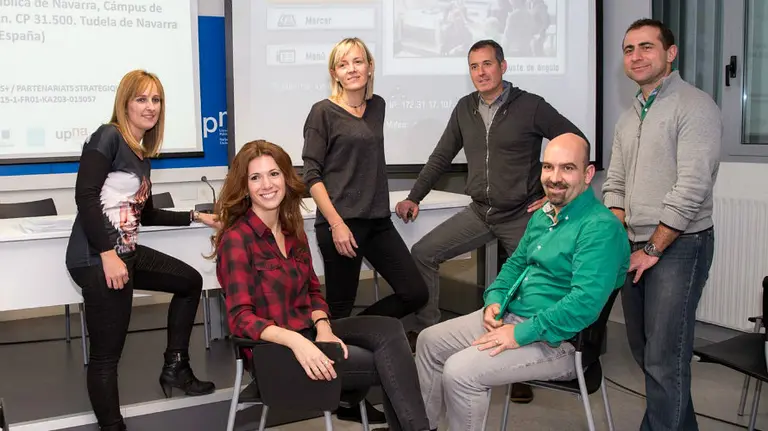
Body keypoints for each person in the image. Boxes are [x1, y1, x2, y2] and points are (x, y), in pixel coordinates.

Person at [394, 38, 584, 402]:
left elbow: (574, 139)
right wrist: (413, 196)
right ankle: (428, 337)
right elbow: (441, 156)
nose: (481, 72)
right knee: (423, 251)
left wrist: (550, 193)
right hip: (481, 211)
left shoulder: (530, 106)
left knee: (527, 284)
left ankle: (521, 366)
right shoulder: (465, 108)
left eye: (487, 64)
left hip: (520, 215)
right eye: (474, 67)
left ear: (503, 66)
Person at [415, 133, 630, 431]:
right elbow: (516, 264)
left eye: (567, 168)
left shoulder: (600, 228)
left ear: (587, 174)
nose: (554, 178)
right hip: (512, 319)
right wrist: (494, 299)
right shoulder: (544, 215)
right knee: (428, 341)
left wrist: (518, 334)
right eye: (548, 167)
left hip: (559, 341)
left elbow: (583, 304)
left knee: (460, 372)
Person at [213, 140, 432, 431]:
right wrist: (298, 342)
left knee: (388, 329)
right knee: (387, 362)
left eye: (274, 174)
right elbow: (241, 319)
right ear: (244, 186)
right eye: (256, 177)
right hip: (274, 353)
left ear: (286, 178)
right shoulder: (237, 239)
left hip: (309, 333)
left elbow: (313, 293)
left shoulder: (293, 232)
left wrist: (324, 328)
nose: (267, 184)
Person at [65, 70, 218, 431]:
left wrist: (195, 215)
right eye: (141, 99)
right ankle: (112, 426)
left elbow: (144, 212)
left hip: (126, 253)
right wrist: (106, 255)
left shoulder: (140, 151)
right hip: (95, 257)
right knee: (106, 357)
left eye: (156, 100)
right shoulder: (108, 137)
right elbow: (84, 197)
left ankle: (176, 366)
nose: (150, 107)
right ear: (125, 103)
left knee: (189, 281)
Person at [602, 19, 721, 431]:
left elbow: (692, 186)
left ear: (670, 53)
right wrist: (619, 230)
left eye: (646, 47)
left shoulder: (695, 105)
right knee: (646, 352)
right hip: (634, 245)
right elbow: (614, 183)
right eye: (629, 49)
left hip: (679, 245)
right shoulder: (628, 115)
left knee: (664, 358)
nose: (636, 56)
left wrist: (653, 248)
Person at [302, 39, 428, 327]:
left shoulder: (377, 106)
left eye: (358, 62)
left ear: (370, 67)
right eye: (343, 64)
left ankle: (357, 330)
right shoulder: (322, 112)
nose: (352, 69)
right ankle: (340, 352)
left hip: (377, 221)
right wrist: (336, 224)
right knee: (340, 306)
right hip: (341, 224)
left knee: (414, 292)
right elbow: (311, 174)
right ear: (334, 74)